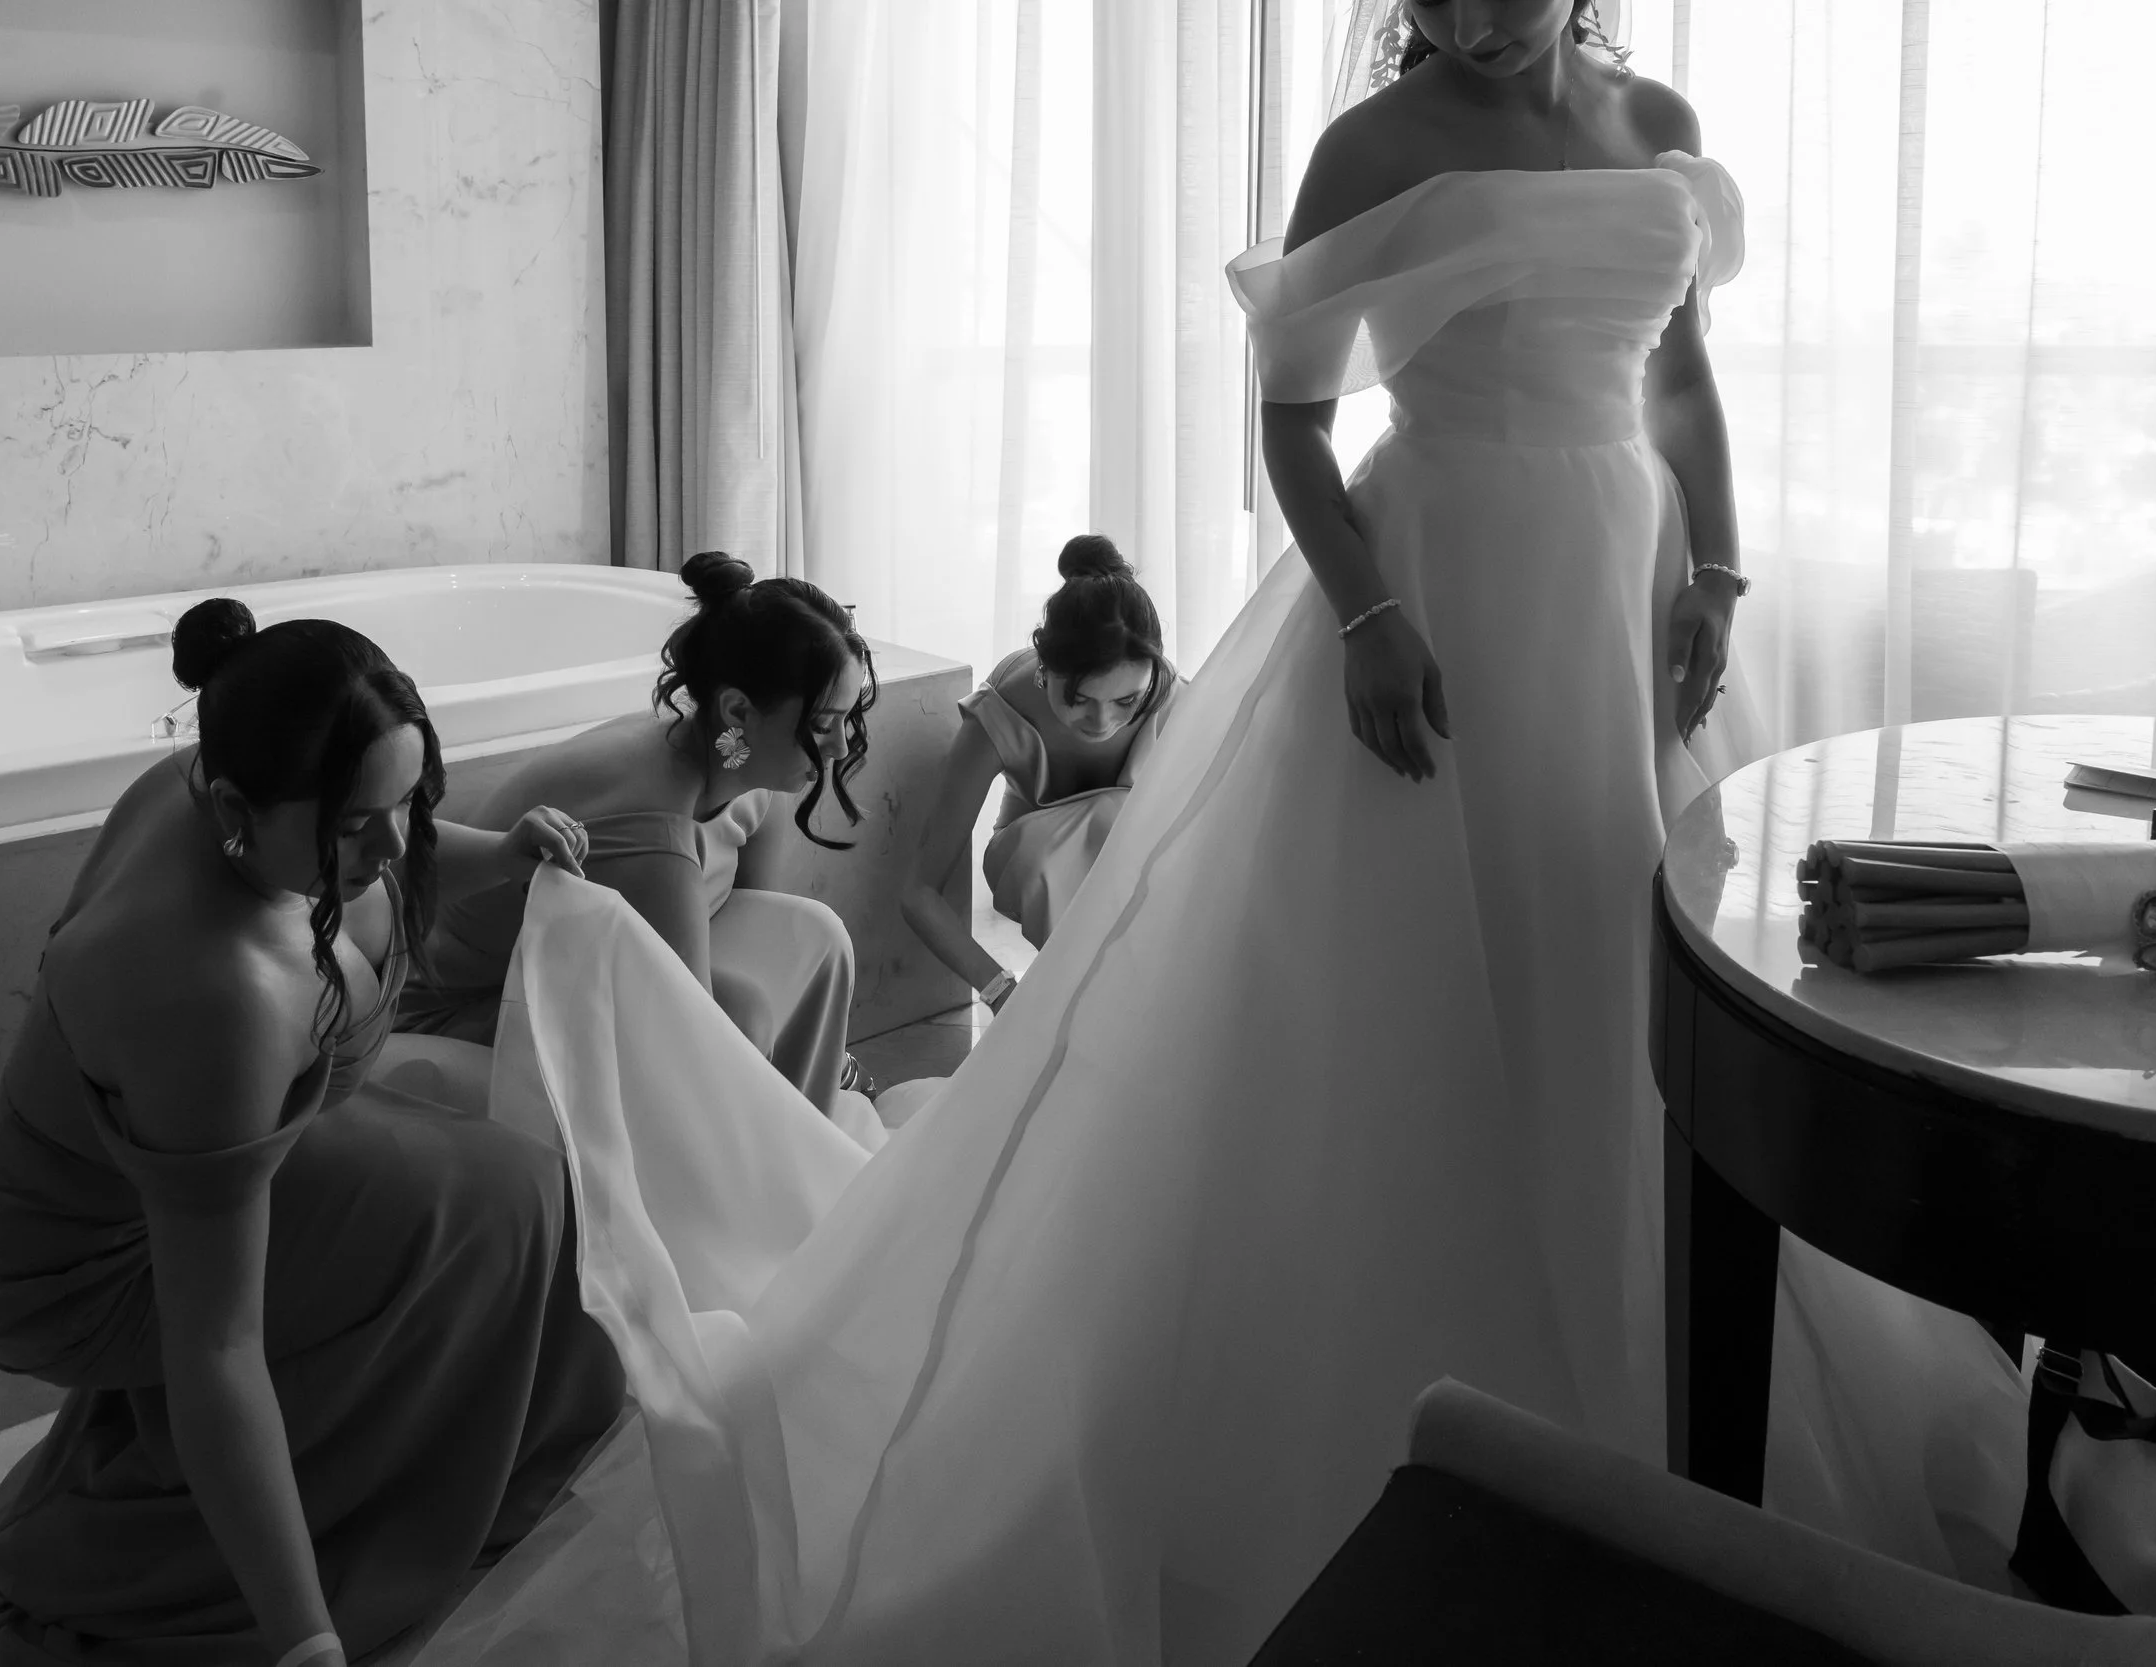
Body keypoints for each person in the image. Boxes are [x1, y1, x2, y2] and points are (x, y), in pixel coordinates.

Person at [408, 4, 2026, 1664]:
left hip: (1617, 589)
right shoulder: (1373, 145)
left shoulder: (1656, 117)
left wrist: (1723, 569)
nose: (1467, 13)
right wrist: (1373, 613)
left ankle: (1656, 1412)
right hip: (1440, 592)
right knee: (1407, 1021)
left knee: (1629, 980)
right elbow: (1295, 419)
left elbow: (1679, 372)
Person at [0, 601, 627, 1667]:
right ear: (233, 807)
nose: (391, 844)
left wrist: (504, 852)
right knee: (482, 1218)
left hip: (177, 1164)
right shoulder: (215, 992)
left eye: (411, 799)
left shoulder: (236, 781)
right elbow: (215, 1346)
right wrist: (301, 1632)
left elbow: (386, 850)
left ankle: (434, 1441)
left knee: (522, 1186)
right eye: (356, 824)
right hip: (84, 1262)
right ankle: (244, 1529)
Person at [398, 552, 884, 1114]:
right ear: (738, 711)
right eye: (823, 724)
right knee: (742, 1017)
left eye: (847, 720)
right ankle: (772, 1175)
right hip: (468, 1006)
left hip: (568, 969)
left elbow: (759, 913)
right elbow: (693, 1052)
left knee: (818, 936)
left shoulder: (741, 769)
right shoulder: (656, 834)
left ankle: (808, 1126)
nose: (842, 747)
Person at [901, 534, 1183, 1009]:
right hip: (1031, 860)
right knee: (1110, 819)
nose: (1103, 722)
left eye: (1126, 701)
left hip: (1137, 877)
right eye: (1079, 699)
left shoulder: (1173, 699)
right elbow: (919, 892)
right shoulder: (1001, 712)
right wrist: (1000, 991)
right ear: (1043, 669)